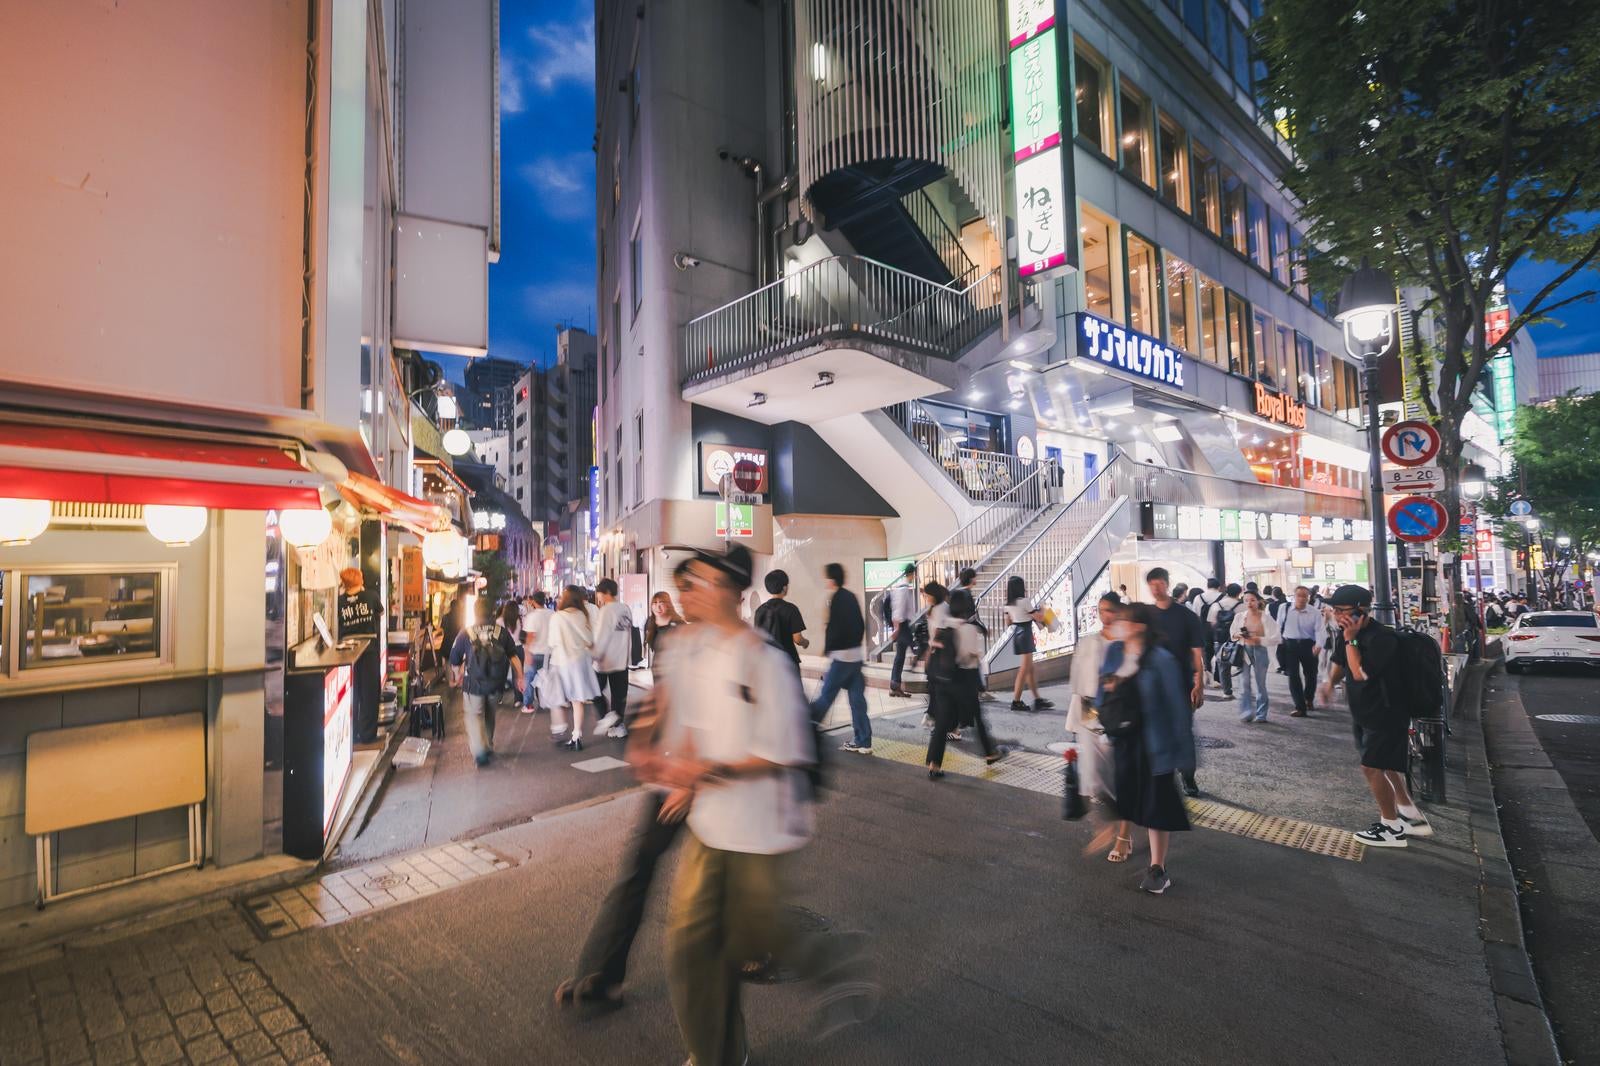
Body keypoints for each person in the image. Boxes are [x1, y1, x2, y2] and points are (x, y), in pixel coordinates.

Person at [657, 546, 878, 1066]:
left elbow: (783, 752)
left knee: (760, 936)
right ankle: (716, 1054)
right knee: (691, 949)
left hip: (761, 833)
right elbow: (689, 728)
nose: (688, 593)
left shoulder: (767, 662)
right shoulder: (695, 653)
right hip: (709, 828)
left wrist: (707, 772)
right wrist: (681, 775)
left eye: (700, 583)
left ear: (733, 593)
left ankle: (833, 961)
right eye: (686, 585)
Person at [554, 565, 696, 1013]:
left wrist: (695, 775)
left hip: (707, 784)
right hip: (673, 779)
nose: (676, 598)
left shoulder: (734, 649)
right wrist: (645, 741)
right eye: (678, 590)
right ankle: (602, 974)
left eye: (692, 587)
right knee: (636, 871)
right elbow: (665, 696)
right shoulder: (677, 640)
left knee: (717, 891)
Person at [1316, 585, 1433, 847]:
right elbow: (1340, 663)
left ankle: (1390, 827)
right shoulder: (1346, 634)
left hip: (1387, 712)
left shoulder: (1382, 638)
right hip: (1364, 713)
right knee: (1386, 765)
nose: (1335, 614)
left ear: (1360, 611)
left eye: (1341, 610)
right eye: (1333, 609)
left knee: (1371, 767)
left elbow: (1359, 672)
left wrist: (1351, 639)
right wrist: (1328, 684)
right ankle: (1410, 816)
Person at [1100, 603, 1196, 894]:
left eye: (1123, 620)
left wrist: (1184, 752)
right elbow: (1101, 692)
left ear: (1139, 626)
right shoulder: (1116, 653)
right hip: (1125, 741)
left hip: (1155, 743)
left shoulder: (1161, 659)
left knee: (1157, 804)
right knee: (1129, 796)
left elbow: (1177, 707)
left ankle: (1157, 868)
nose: (1116, 624)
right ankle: (1125, 838)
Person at [1144, 568, 1206, 795]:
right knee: (1155, 731)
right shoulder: (1146, 616)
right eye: (1151, 584)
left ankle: (1188, 777)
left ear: (1167, 584)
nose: (1155, 588)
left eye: (1159, 583)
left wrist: (1199, 683)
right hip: (1153, 686)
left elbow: (1196, 652)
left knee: (1183, 731)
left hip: (1181, 684)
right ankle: (1161, 774)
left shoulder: (1186, 616)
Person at [926, 588, 1001, 776]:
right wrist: (976, 656)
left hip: (943, 680)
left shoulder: (944, 624)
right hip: (963, 679)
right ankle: (990, 753)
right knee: (977, 716)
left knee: (942, 723)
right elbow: (969, 658)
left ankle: (934, 765)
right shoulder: (968, 628)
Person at [1072, 593, 1125, 860]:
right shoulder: (1089, 642)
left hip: (1117, 713)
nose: (1106, 615)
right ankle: (1108, 826)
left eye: (1111, 611)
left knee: (1117, 773)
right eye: (1102, 610)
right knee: (1092, 773)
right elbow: (1078, 682)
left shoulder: (1125, 643)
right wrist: (1075, 720)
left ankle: (1121, 835)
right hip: (1090, 710)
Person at [448, 598, 525, 767]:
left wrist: (457, 675)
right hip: (496, 683)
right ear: (492, 612)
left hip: (474, 684)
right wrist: (520, 677)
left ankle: (480, 750)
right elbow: (513, 655)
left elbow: (454, 658)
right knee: (490, 713)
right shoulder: (500, 632)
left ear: (474, 612)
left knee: (474, 715)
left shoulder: (466, 632)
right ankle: (488, 745)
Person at [812, 563, 871, 754]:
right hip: (855, 656)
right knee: (857, 700)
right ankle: (863, 741)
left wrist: (828, 648)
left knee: (826, 696)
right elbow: (860, 625)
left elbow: (835, 628)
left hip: (841, 658)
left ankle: (806, 730)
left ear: (831, 579)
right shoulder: (851, 596)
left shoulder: (836, 598)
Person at [545, 585, 603, 750]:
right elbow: (589, 640)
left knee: (557, 698)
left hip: (560, 662)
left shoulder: (557, 617)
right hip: (579, 662)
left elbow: (551, 642)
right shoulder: (581, 615)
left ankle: (559, 727)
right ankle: (576, 736)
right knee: (578, 701)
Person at [336, 568, 383, 745]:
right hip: (369, 649)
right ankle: (367, 734)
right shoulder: (371, 596)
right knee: (370, 693)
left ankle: (352, 733)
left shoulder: (340, 602)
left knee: (352, 693)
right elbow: (381, 613)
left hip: (347, 653)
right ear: (359, 579)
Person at [590, 579, 636, 740]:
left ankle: (607, 718)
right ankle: (618, 725)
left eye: (599, 593)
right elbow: (629, 634)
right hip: (622, 659)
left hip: (605, 660)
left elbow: (601, 637)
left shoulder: (606, 611)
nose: (598, 596)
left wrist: (593, 656)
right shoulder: (626, 609)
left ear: (607, 592)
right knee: (619, 695)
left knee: (593, 690)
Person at [1230, 590, 1281, 723]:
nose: (1249, 603)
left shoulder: (1266, 617)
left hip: (1260, 651)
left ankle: (1261, 714)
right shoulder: (1240, 617)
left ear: (1259, 601)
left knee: (1260, 684)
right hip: (1244, 651)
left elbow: (1277, 637)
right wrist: (1239, 635)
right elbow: (1232, 634)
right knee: (1244, 682)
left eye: (1252, 600)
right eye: (1246, 600)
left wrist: (1260, 640)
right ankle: (1246, 711)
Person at [1006, 575, 1054, 712]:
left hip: (1017, 633)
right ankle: (1016, 701)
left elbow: (1008, 622)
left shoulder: (1009, 604)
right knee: (1024, 669)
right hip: (1025, 634)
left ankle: (1037, 699)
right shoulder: (1025, 601)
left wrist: (1020, 615)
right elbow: (1038, 617)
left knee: (1030, 669)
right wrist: (1044, 610)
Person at [1279, 586, 1322, 717]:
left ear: (1309, 597)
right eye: (1299, 595)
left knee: (1311, 674)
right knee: (1293, 676)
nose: (1302, 598)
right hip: (1289, 645)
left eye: (1305, 596)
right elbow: (1278, 625)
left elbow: (1320, 630)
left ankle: (1308, 698)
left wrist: (1319, 645)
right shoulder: (1284, 608)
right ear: (1294, 596)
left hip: (1308, 645)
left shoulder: (1314, 612)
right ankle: (1300, 707)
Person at [753, 569, 808, 666]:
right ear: (784, 587)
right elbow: (798, 639)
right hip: (788, 661)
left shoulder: (760, 610)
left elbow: (758, 639)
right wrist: (805, 643)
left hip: (768, 662)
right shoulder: (791, 609)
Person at [956, 567, 995, 701]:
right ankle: (979, 691)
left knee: (970, 662)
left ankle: (978, 690)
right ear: (971, 578)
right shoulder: (967, 595)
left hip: (959, 633)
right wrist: (983, 630)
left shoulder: (956, 593)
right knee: (972, 662)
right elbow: (972, 617)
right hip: (968, 634)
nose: (976, 579)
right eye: (975, 576)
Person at [886, 563, 919, 698]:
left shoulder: (901, 587)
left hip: (903, 625)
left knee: (900, 656)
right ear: (912, 574)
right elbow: (898, 609)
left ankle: (895, 685)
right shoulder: (903, 589)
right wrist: (897, 628)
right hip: (903, 625)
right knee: (916, 649)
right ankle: (896, 684)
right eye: (914, 574)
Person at [520, 591, 552, 714]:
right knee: (548, 678)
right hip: (549, 652)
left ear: (533, 601)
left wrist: (527, 652)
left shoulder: (531, 617)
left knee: (529, 677)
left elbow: (530, 636)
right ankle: (549, 701)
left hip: (534, 652)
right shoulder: (552, 614)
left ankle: (528, 705)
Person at [1209, 583, 1243, 698]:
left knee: (1223, 665)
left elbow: (1212, 622)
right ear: (1239, 593)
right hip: (1238, 640)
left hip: (1220, 638)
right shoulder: (1241, 606)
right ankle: (1244, 690)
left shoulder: (1216, 605)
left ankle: (1227, 692)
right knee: (1243, 664)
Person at [645, 590, 684, 655]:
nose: (658, 607)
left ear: (668, 605)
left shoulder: (678, 623)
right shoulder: (650, 622)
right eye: (655, 603)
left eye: (661, 603)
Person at [1268, 587, 1291, 674]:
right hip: (1288, 629)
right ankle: (1286, 668)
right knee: (1286, 649)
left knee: (1278, 650)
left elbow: (1268, 618)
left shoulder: (1270, 605)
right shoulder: (1288, 604)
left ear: (1273, 595)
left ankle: (1281, 667)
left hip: (1275, 629)